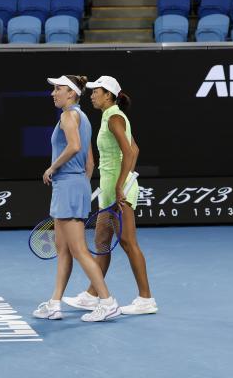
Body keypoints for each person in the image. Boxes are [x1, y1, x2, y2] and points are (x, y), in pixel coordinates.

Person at [63, 76, 158, 316]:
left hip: (118, 191)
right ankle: (91, 295)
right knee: (101, 243)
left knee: (128, 243)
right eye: (93, 91)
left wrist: (120, 186)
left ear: (109, 96)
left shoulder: (114, 117)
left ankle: (146, 299)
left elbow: (128, 152)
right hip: (109, 189)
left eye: (97, 91)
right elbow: (135, 149)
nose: (92, 94)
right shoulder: (110, 117)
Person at [33, 75, 122, 323]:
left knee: (80, 251)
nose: (53, 93)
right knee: (63, 250)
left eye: (58, 89)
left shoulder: (67, 116)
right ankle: (54, 304)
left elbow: (73, 147)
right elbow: (89, 161)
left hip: (68, 187)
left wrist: (53, 169)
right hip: (74, 185)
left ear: (71, 93)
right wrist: (79, 182)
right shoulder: (83, 118)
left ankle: (107, 302)